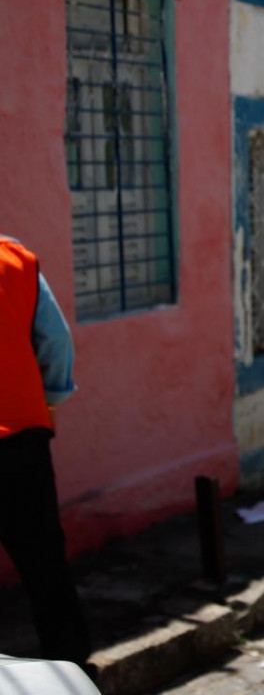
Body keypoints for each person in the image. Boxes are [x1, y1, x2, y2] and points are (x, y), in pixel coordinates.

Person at [0, 235, 92, 673]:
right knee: (44, 563)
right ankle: (70, 668)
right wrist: (49, 397)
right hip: (20, 437)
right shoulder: (14, 258)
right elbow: (55, 341)